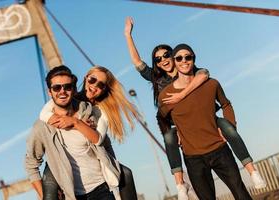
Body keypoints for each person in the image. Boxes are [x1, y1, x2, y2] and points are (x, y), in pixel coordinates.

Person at [124, 17, 266, 197]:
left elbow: (205, 74)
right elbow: (138, 63)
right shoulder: (158, 79)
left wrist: (182, 93)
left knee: (228, 128)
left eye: (167, 55)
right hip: (183, 130)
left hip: (208, 121)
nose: (163, 60)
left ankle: (252, 171)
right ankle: (180, 185)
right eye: (158, 59)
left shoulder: (190, 70)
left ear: (174, 57)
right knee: (169, 137)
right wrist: (128, 35)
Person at [158, 43, 255, 199]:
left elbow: (226, 104)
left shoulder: (210, 83)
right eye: (179, 58)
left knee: (241, 193)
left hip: (220, 150)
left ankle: (253, 171)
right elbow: (162, 118)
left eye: (188, 57)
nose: (184, 61)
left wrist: (230, 126)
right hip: (193, 159)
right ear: (174, 62)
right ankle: (180, 184)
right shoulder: (165, 95)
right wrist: (176, 133)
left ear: (194, 59)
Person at [39, 65, 140, 200]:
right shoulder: (70, 94)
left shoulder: (102, 110)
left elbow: (97, 139)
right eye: (92, 80)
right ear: (86, 78)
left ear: (105, 89)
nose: (94, 86)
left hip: (90, 158)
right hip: (61, 154)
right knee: (49, 186)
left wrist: (76, 123)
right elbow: (44, 113)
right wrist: (74, 122)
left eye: (101, 85)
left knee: (126, 174)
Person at [25, 65, 116, 200]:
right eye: (57, 88)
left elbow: (104, 143)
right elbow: (31, 165)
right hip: (73, 196)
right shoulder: (42, 127)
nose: (62, 91)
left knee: (127, 174)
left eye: (67, 87)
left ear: (73, 90)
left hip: (101, 189)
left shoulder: (88, 113)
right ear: (50, 92)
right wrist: (45, 196)